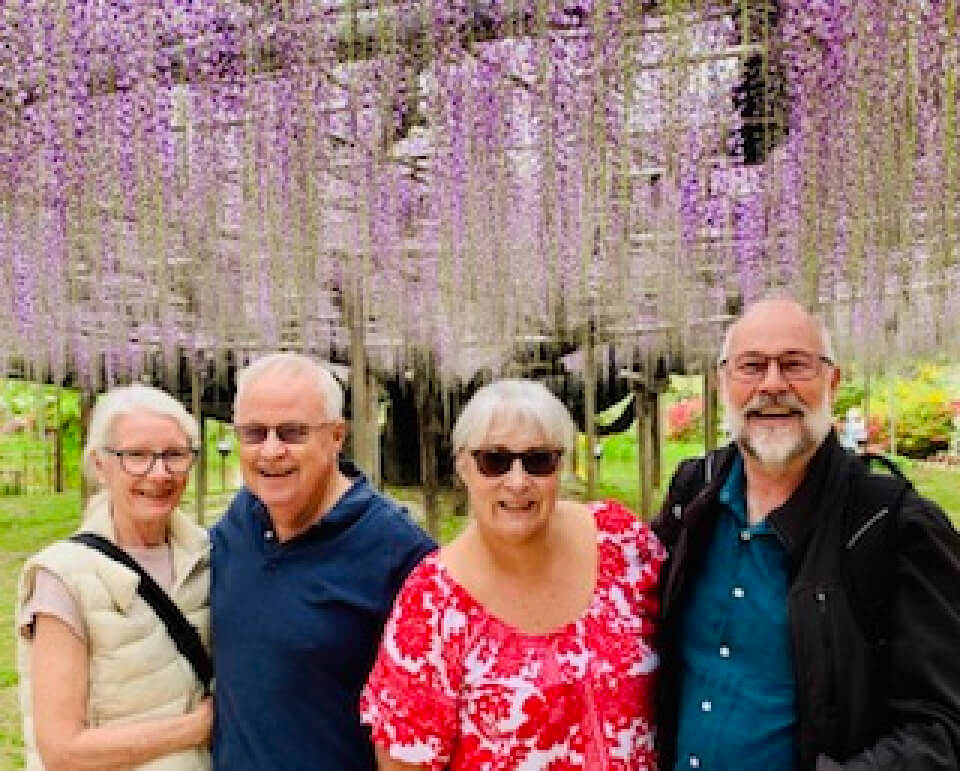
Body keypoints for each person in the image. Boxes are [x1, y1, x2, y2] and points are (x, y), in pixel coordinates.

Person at [654, 296, 960, 770]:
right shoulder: (694, 495)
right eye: (751, 366)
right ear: (723, 382)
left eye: (795, 365)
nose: (773, 385)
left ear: (832, 381)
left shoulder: (891, 525)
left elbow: (940, 726)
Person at [361, 378, 665, 770]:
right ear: (463, 467)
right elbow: (404, 761)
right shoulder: (433, 603)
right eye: (494, 461)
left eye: (538, 461)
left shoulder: (620, 542)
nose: (517, 482)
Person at [210, 353, 435, 771]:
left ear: (336, 436)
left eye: (292, 433)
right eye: (254, 433)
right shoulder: (238, 521)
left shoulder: (400, 553)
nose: (271, 451)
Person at [16, 384, 212, 770]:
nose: (159, 473)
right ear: (100, 465)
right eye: (135, 456)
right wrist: (196, 727)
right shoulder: (63, 575)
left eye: (175, 455)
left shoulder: (210, 556)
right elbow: (62, 750)